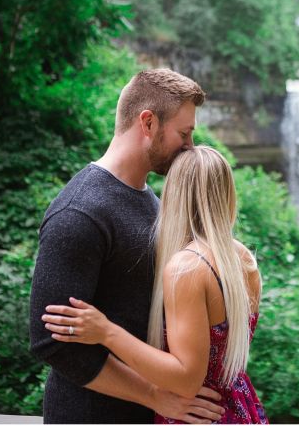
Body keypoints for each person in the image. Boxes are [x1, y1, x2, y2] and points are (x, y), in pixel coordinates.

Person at [29, 68, 226, 424]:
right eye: (184, 133)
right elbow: (52, 343)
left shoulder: (154, 201)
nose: (190, 146)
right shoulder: (79, 212)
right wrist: (152, 395)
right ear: (148, 123)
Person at [40, 146, 269, 424]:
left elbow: (186, 380)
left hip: (194, 413)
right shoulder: (243, 259)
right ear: (228, 195)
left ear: (175, 194)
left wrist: (106, 331)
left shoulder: (187, 268)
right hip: (238, 406)